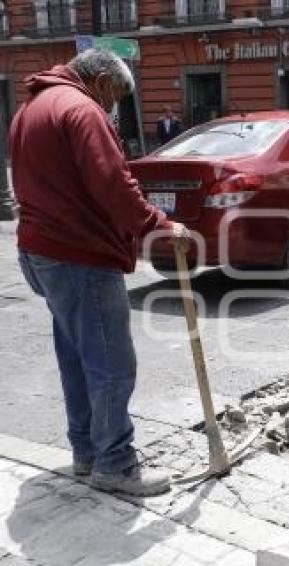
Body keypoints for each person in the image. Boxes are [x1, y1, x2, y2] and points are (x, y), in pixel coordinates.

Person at [9, 49, 189, 497]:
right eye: (117, 96)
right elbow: (113, 182)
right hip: (79, 254)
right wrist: (160, 225)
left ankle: (87, 452)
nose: (115, 106)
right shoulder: (80, 109)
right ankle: (114, 464)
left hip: (43, 251)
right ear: (103, 79)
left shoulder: (33, 107)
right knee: (110, 362)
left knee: (77, 356)